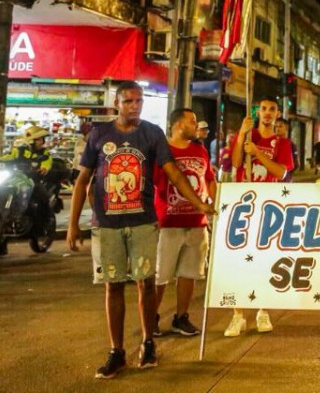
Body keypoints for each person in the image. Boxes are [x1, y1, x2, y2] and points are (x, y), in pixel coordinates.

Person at [66, 81, 213, 380]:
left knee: (146, 284)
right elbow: (83, 180)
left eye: (139, 101)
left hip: (143, 223)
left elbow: (173, 173)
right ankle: (116, 351)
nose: (135, 106)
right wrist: (73, 225)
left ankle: (148, 343)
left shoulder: (152, 133)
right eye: (129, 101)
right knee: (113, 286)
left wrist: (200, 202)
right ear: (117, 103)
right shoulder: (99, 135)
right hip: (107, 225)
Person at [225, 97, 293, 337]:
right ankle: (238, 315)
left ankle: (263, 310)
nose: (267, 113)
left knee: (265, 261)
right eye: (263, 109)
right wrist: (243, 136)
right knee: (239, 261)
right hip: (244, 205)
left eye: (272, 109)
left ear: (277, 114)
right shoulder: (247, 135)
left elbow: (282, 171)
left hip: (269, 208)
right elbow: (235, 163)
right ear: (257, 112)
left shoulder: (282, 143)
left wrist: (258, 154)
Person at [153, 108, 216, 339]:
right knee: (161, 274)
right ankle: (151, 316)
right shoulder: (162, 151)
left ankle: (181, 316)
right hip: (169, 221)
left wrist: (213, 202)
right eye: (192, 122)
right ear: (178, 124)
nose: (196, 126)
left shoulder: (199, 149)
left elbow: (209, 178)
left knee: (190, 272)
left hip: (197, 222)